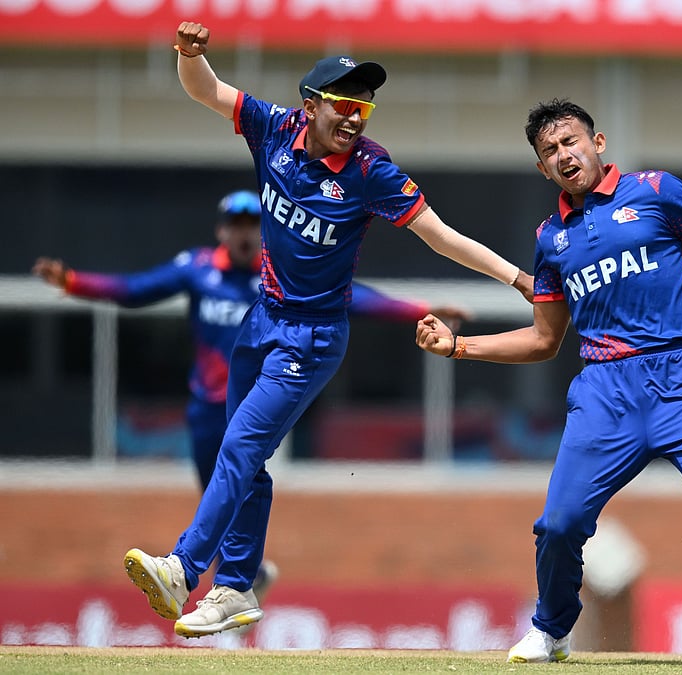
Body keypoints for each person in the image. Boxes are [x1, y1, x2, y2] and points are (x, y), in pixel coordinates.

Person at [121, 21, 533, 639]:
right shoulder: (275, 128)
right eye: (344, 104)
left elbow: (441, 236)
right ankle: (234, 589)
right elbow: (207, 91)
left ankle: (183, 568)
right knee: (248, 457)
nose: (356, 116)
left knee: (238, 447)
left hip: (310, 339)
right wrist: (187, 54)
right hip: (261, 320)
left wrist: (517, 278)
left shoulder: (373, 172)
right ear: (309, 105)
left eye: (364, 106)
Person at [414, 98, 682, 665]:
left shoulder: (657, 191)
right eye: (550, 151)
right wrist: (459, 346)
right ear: (542, 169)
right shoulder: (551, 239)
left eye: (571, 142)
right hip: (606, 393)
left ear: (597, 143)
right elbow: (543, 340)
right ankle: (552, 630)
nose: (564, 155)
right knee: (559, 525)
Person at [34, 190, 469, 606]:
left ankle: (211, 579)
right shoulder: (198, 269)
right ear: (222, 230)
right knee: (220, 495)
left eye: (252, 224)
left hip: (259, 402)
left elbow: (356, 298)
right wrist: (74, 282)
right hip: (207, 407)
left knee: (238, 481)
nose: (244, 233)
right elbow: (135, 290)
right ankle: (242, 580)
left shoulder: (281, 274)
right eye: (235, 224)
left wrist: (420, 308)